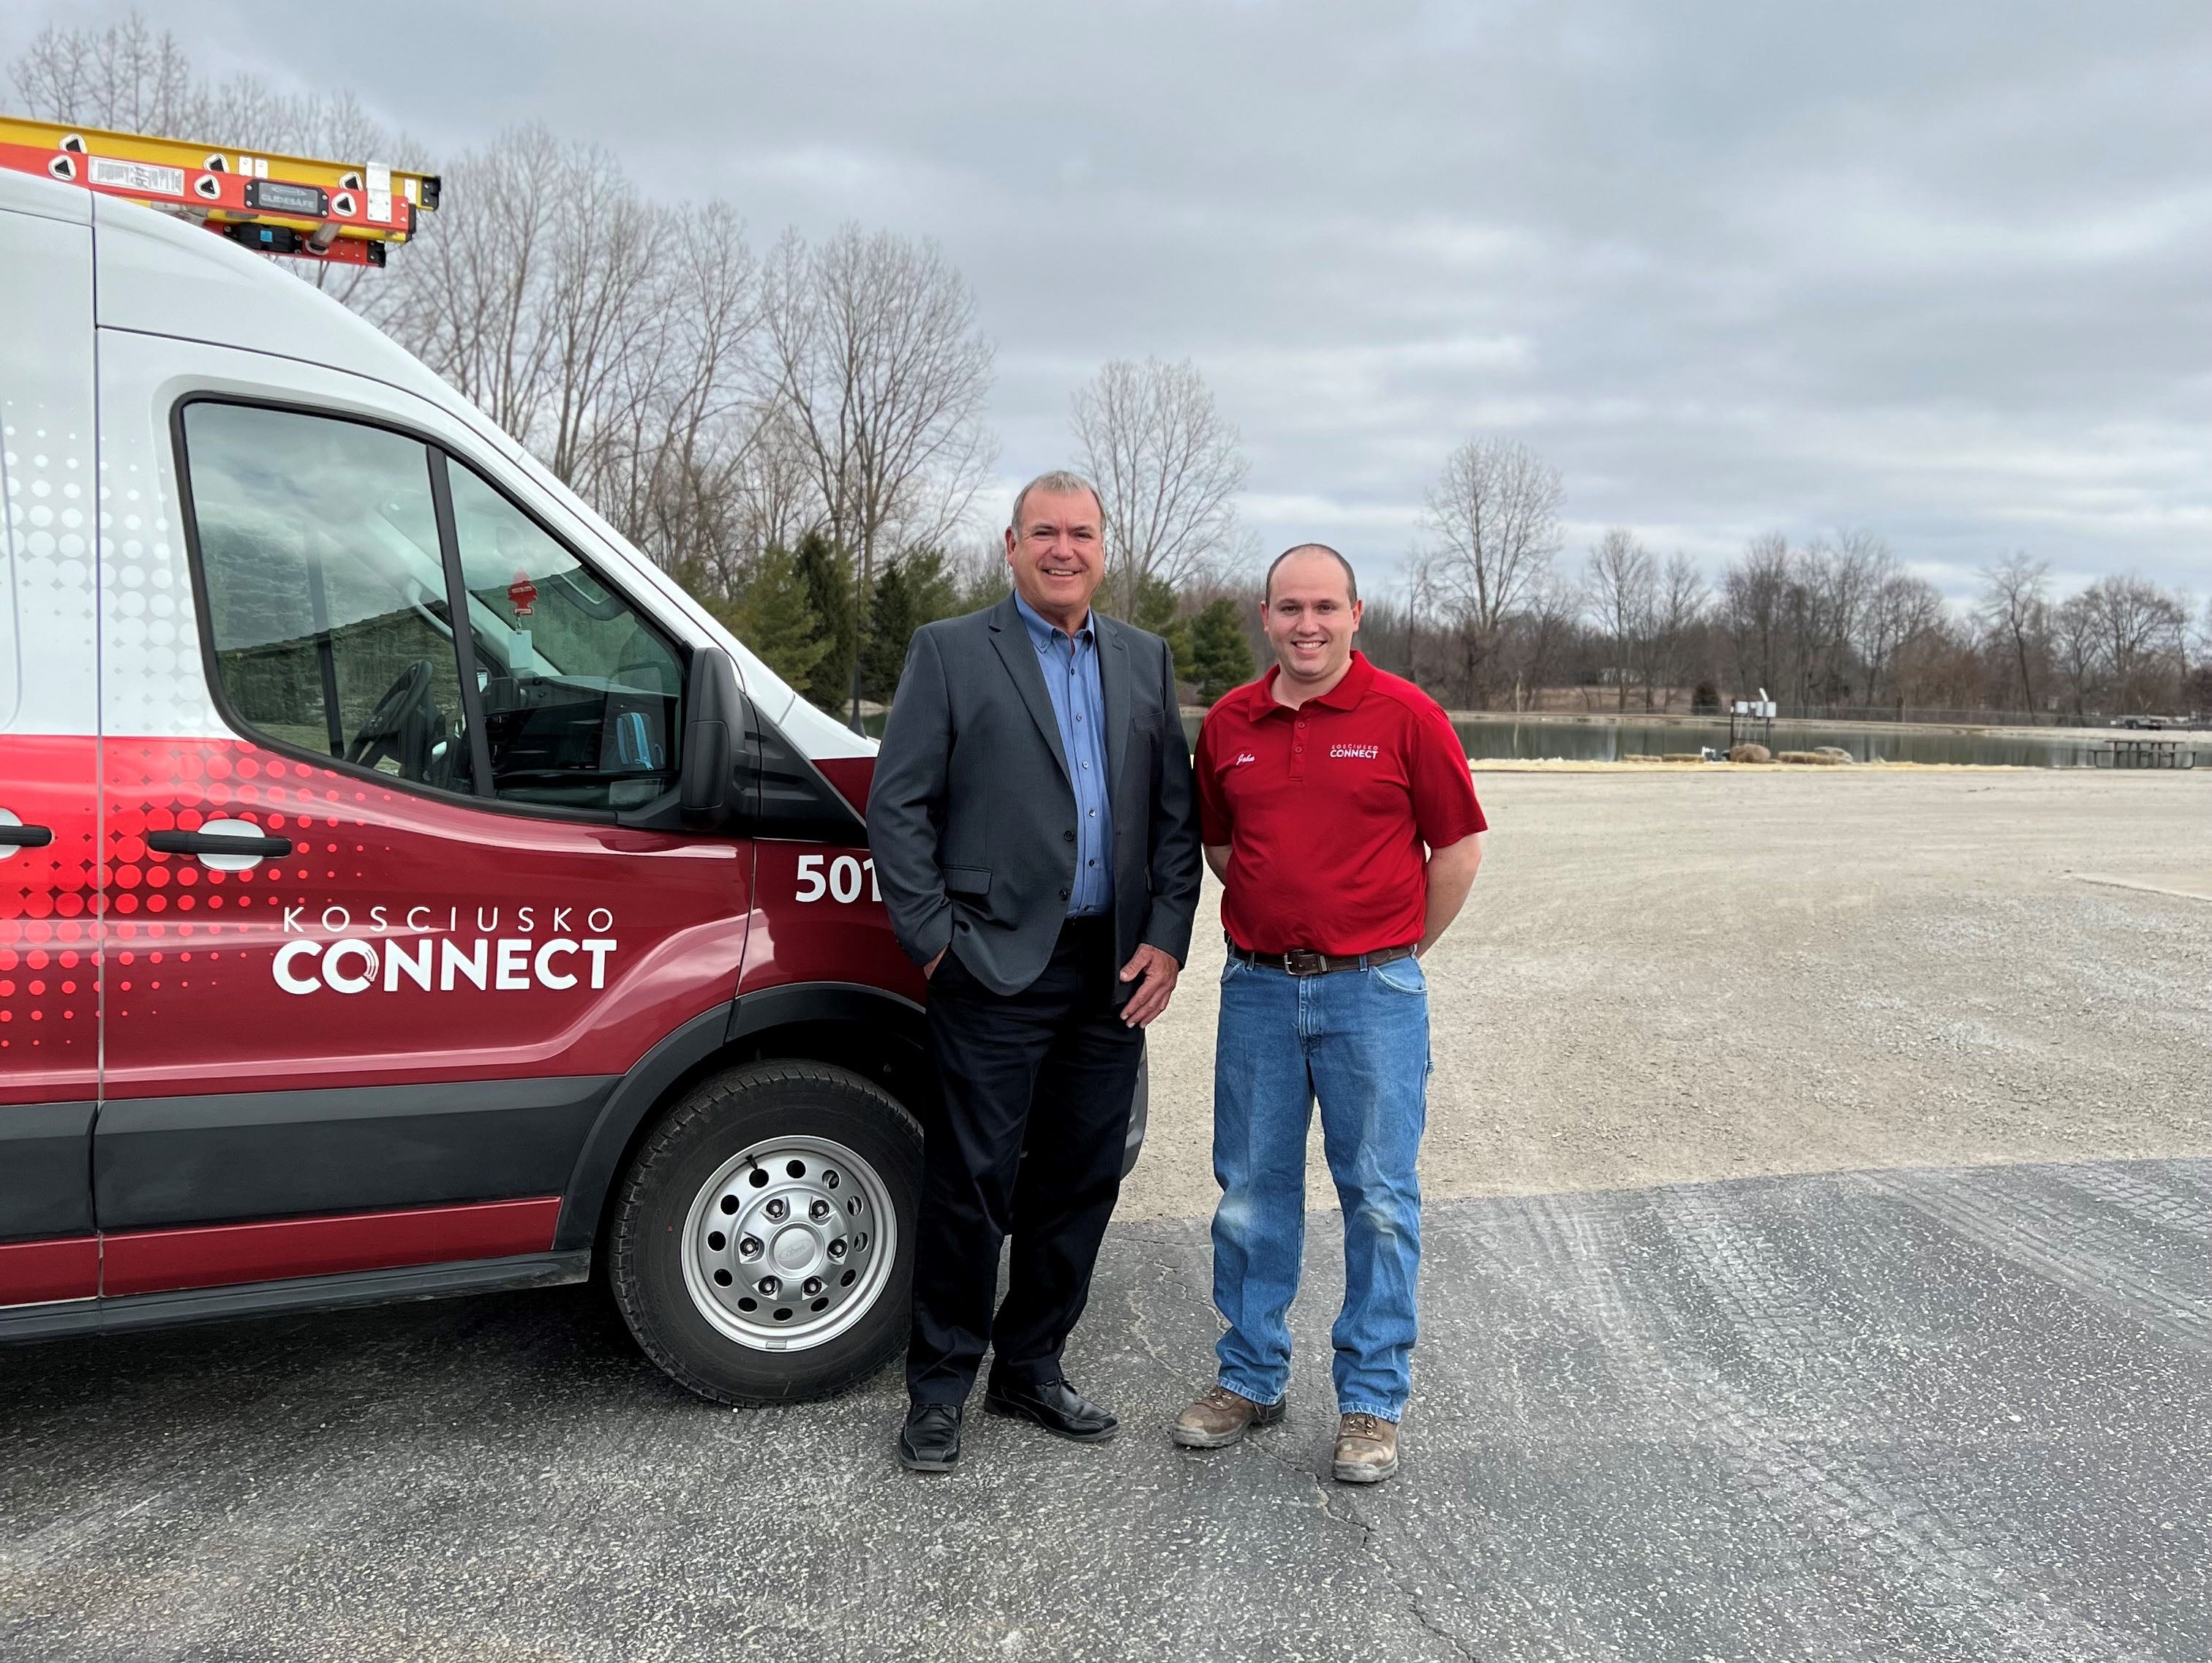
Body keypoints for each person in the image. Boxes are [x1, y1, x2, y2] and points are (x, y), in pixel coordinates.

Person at [868, 470, 1202, 1474]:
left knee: (1081, 1179)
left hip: (1112, 971)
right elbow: (900, 806)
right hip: (991, 966)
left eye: (1083, 533)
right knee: (972, 1183)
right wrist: (933, 940)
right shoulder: (951, 650)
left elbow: (1178, 826)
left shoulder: (1145, 661)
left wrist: (1171, 937)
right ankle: (939, 1387)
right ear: (1010, 546)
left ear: (1105, 548)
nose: (1065, 549)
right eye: (1045, 533)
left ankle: (1032, 1362)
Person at [1172, 543, 1486, 1483]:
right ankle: (1252, 1376)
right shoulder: (1230, 723)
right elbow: (1222, 842)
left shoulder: (1406, 717)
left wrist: (1390, 950)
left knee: (1380, 1199)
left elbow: (1460, 847)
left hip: (1373, 993)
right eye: (1288, 608)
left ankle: (1371, 1400)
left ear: (1356, 614)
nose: (1306, 624)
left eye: (1324, 607)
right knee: (1250, 1194)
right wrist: (1284, 922)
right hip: (1261, 988)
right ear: (1265, 617)